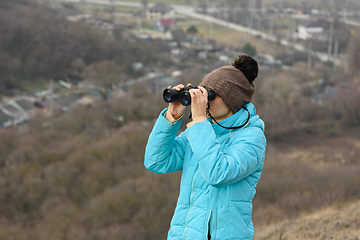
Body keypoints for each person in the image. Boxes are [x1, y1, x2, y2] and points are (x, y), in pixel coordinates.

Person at [144, 55, 266, 240]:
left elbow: (218, 174)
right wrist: (172, 116)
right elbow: (156, 162)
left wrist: (200, 122)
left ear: (232, 100)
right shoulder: (200, 131)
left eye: (210, 95)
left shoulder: (251, 137)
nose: (204, 101)